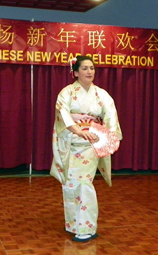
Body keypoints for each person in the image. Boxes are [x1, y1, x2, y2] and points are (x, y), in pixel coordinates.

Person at [50, 55, 122, 242]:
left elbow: (111, 116)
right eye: (85, 68)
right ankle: (73, 224)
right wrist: (77, 130)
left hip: (91, 143)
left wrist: (107, 138)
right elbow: (62, 114)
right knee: (70, 183)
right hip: (71, 141)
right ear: (75, 72)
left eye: (92, 68)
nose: (90, 71)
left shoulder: (102, 94)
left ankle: (86, 228)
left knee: (83, 183)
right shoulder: (66, 93)